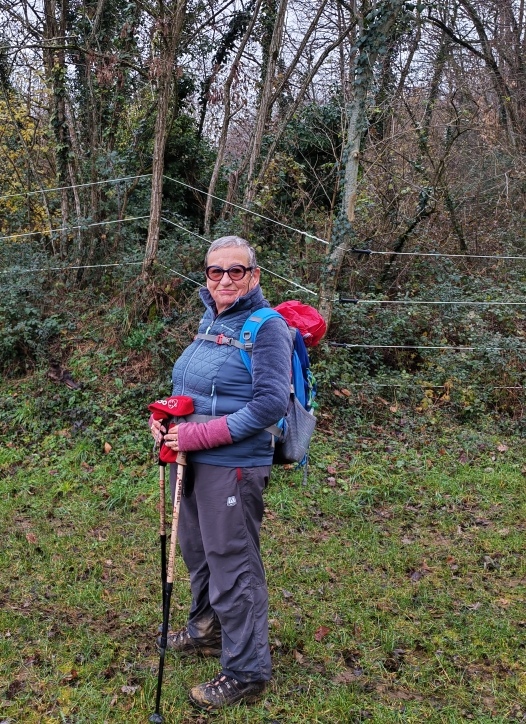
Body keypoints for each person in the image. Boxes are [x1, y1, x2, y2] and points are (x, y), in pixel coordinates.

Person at [149, 235, 292, 710]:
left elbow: (270, 405)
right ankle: (207, 630)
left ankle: (247, 671)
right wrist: (166, 418)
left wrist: (198, 434)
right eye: (216, 271)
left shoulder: (268, 327)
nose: (225, 279)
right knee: (198, 552)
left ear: (254, 275)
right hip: (189, 459)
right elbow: (192, 386)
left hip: (233, 465)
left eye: (236, 270)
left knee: (233, 563)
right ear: (206, 276)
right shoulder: (211, 319)